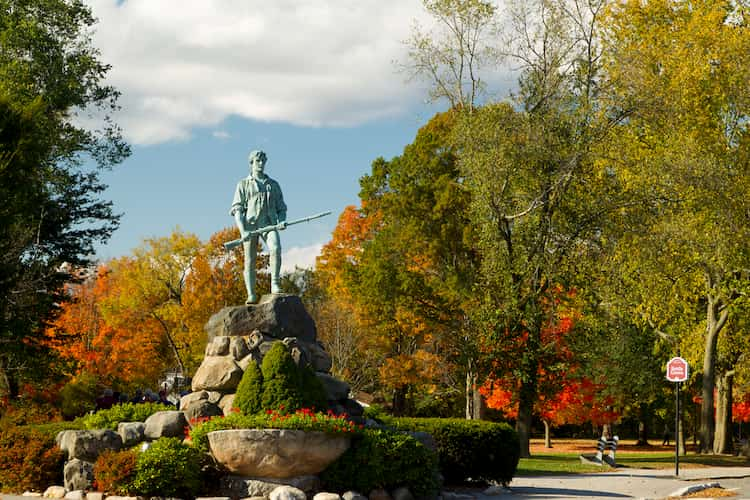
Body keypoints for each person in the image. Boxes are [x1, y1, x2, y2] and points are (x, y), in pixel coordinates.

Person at [230, 150, 287, 303]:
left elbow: (282, 208)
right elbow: (237, 211)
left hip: (269, 225)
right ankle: (251, 294)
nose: (261, 164)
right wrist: (243, 231)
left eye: (263, 161)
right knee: (250, 260)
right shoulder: (243, 184)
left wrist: (281, 221)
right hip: (250, 226)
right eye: (257, 161)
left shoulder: (273, 185)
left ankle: (275, 283)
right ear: (251, 163)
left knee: (275, 248)